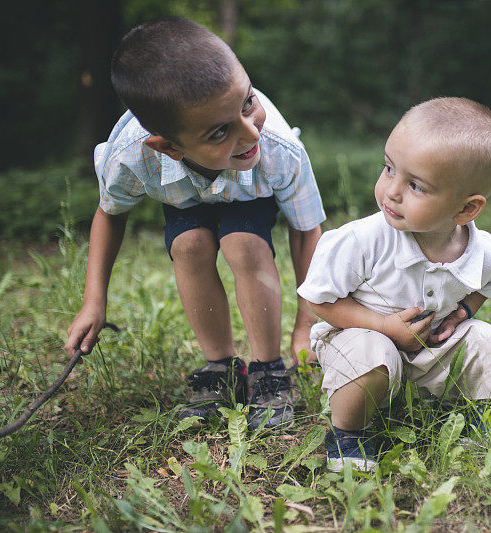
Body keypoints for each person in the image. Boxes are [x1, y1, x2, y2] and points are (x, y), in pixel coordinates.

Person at [63, 17, 325, 430]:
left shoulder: (276, 149)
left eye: (247, 103)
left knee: (243, 243)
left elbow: (307, 229)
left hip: (247, 192)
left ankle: (268, 370)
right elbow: (109, 214)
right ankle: (220, 367)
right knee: (189, 246)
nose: (249, 132)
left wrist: (307, 324)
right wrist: (93, 300)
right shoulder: (132, 156)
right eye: (221, 131)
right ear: (167, 146)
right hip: (185, 193)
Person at [297, 97, 491, 472]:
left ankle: (469, 422)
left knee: (485, 340)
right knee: (370, 351)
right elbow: (321, 301)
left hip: (430, 350)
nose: (391, 191)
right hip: (360, 335)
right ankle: (348, 433)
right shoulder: (363, 240)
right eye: (389, 169)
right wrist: (384, 327)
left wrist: (463, 312)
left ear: (465, 209)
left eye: (415, 185)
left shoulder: (482, 252)